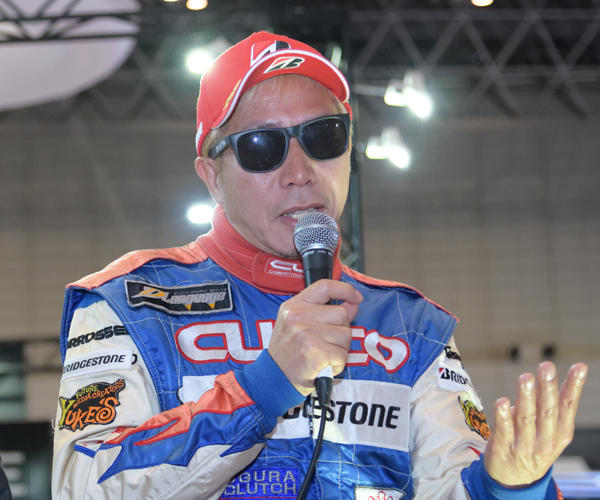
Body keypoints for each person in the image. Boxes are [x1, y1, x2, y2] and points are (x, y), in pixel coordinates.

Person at [52, 31, 588, 499]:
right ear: (212, 177)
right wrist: (263, 385)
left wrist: (510, 486)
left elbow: (448, 487)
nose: (300, 171)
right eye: (262, 147)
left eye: (324, 137)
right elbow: (82, 486)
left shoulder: (412, 324)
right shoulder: (130, 302)